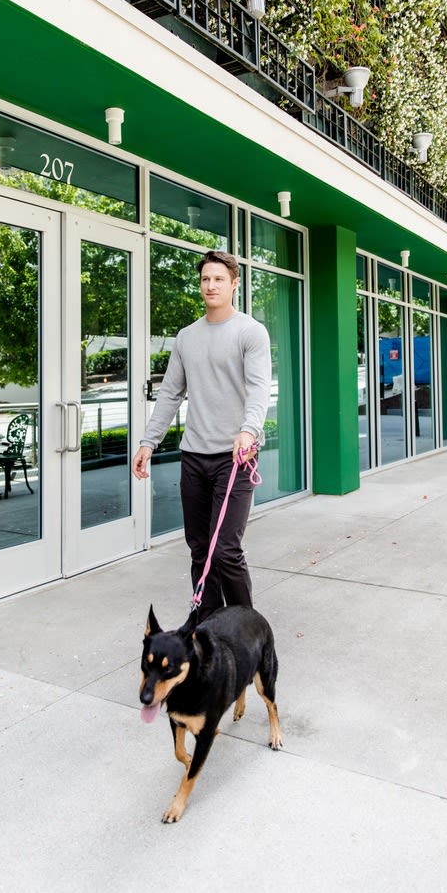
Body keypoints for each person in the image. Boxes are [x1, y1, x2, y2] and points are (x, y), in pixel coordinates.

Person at [132, 250, 272, 620]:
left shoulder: (250, 332)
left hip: (235, 458)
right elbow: (170, 393)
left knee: (225, 549)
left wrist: (248, 431)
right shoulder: (187, 337)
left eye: (219, 279)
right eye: (206, 279)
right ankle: (209, 624)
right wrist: (148, 441)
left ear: (234, 284)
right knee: (199, 548)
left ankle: (245, 627)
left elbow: (259, 389)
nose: (211, 285)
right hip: (194, 457)